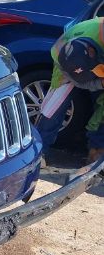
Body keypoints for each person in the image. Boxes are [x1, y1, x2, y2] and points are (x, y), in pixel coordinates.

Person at [37, 17, 104, 162]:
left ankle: (96, 155)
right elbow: (80, 82)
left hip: (95, 52)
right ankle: (38, 152)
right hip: (67, 66)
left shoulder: (99, 34)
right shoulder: (61, 56)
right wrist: (99, 84)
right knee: (54, 108)